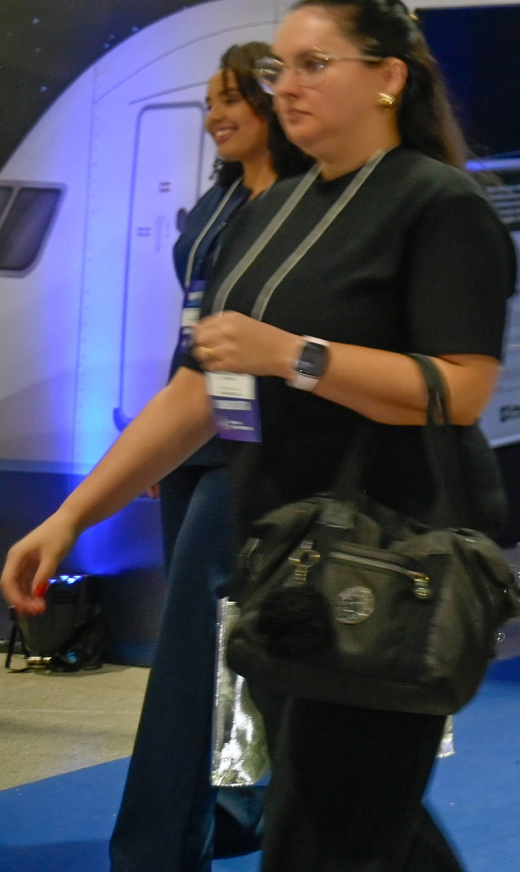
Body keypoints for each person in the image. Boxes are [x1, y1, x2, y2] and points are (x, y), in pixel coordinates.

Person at [1, 0, 517, 872]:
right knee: (350, 822)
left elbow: (459, 389)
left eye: (315, 64)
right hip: (281, 570)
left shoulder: (439, 204)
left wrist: (294, 355)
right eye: (281, 67)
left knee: (329, 827)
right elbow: (198, 392)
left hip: (388, 566)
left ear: (388, 78)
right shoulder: (270, 210)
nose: (287, 86)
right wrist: (72, 516)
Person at [108, 43, 302, 872]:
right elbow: (193, 337)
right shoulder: (216, 204)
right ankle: (239, 805)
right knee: (226, 643)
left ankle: (157, 846)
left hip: (259, 449)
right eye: (211, 102)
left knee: (196, 645)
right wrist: (161, 440)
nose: (216, 116)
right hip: (196, 439)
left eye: (232, 99)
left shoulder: (306, 202)